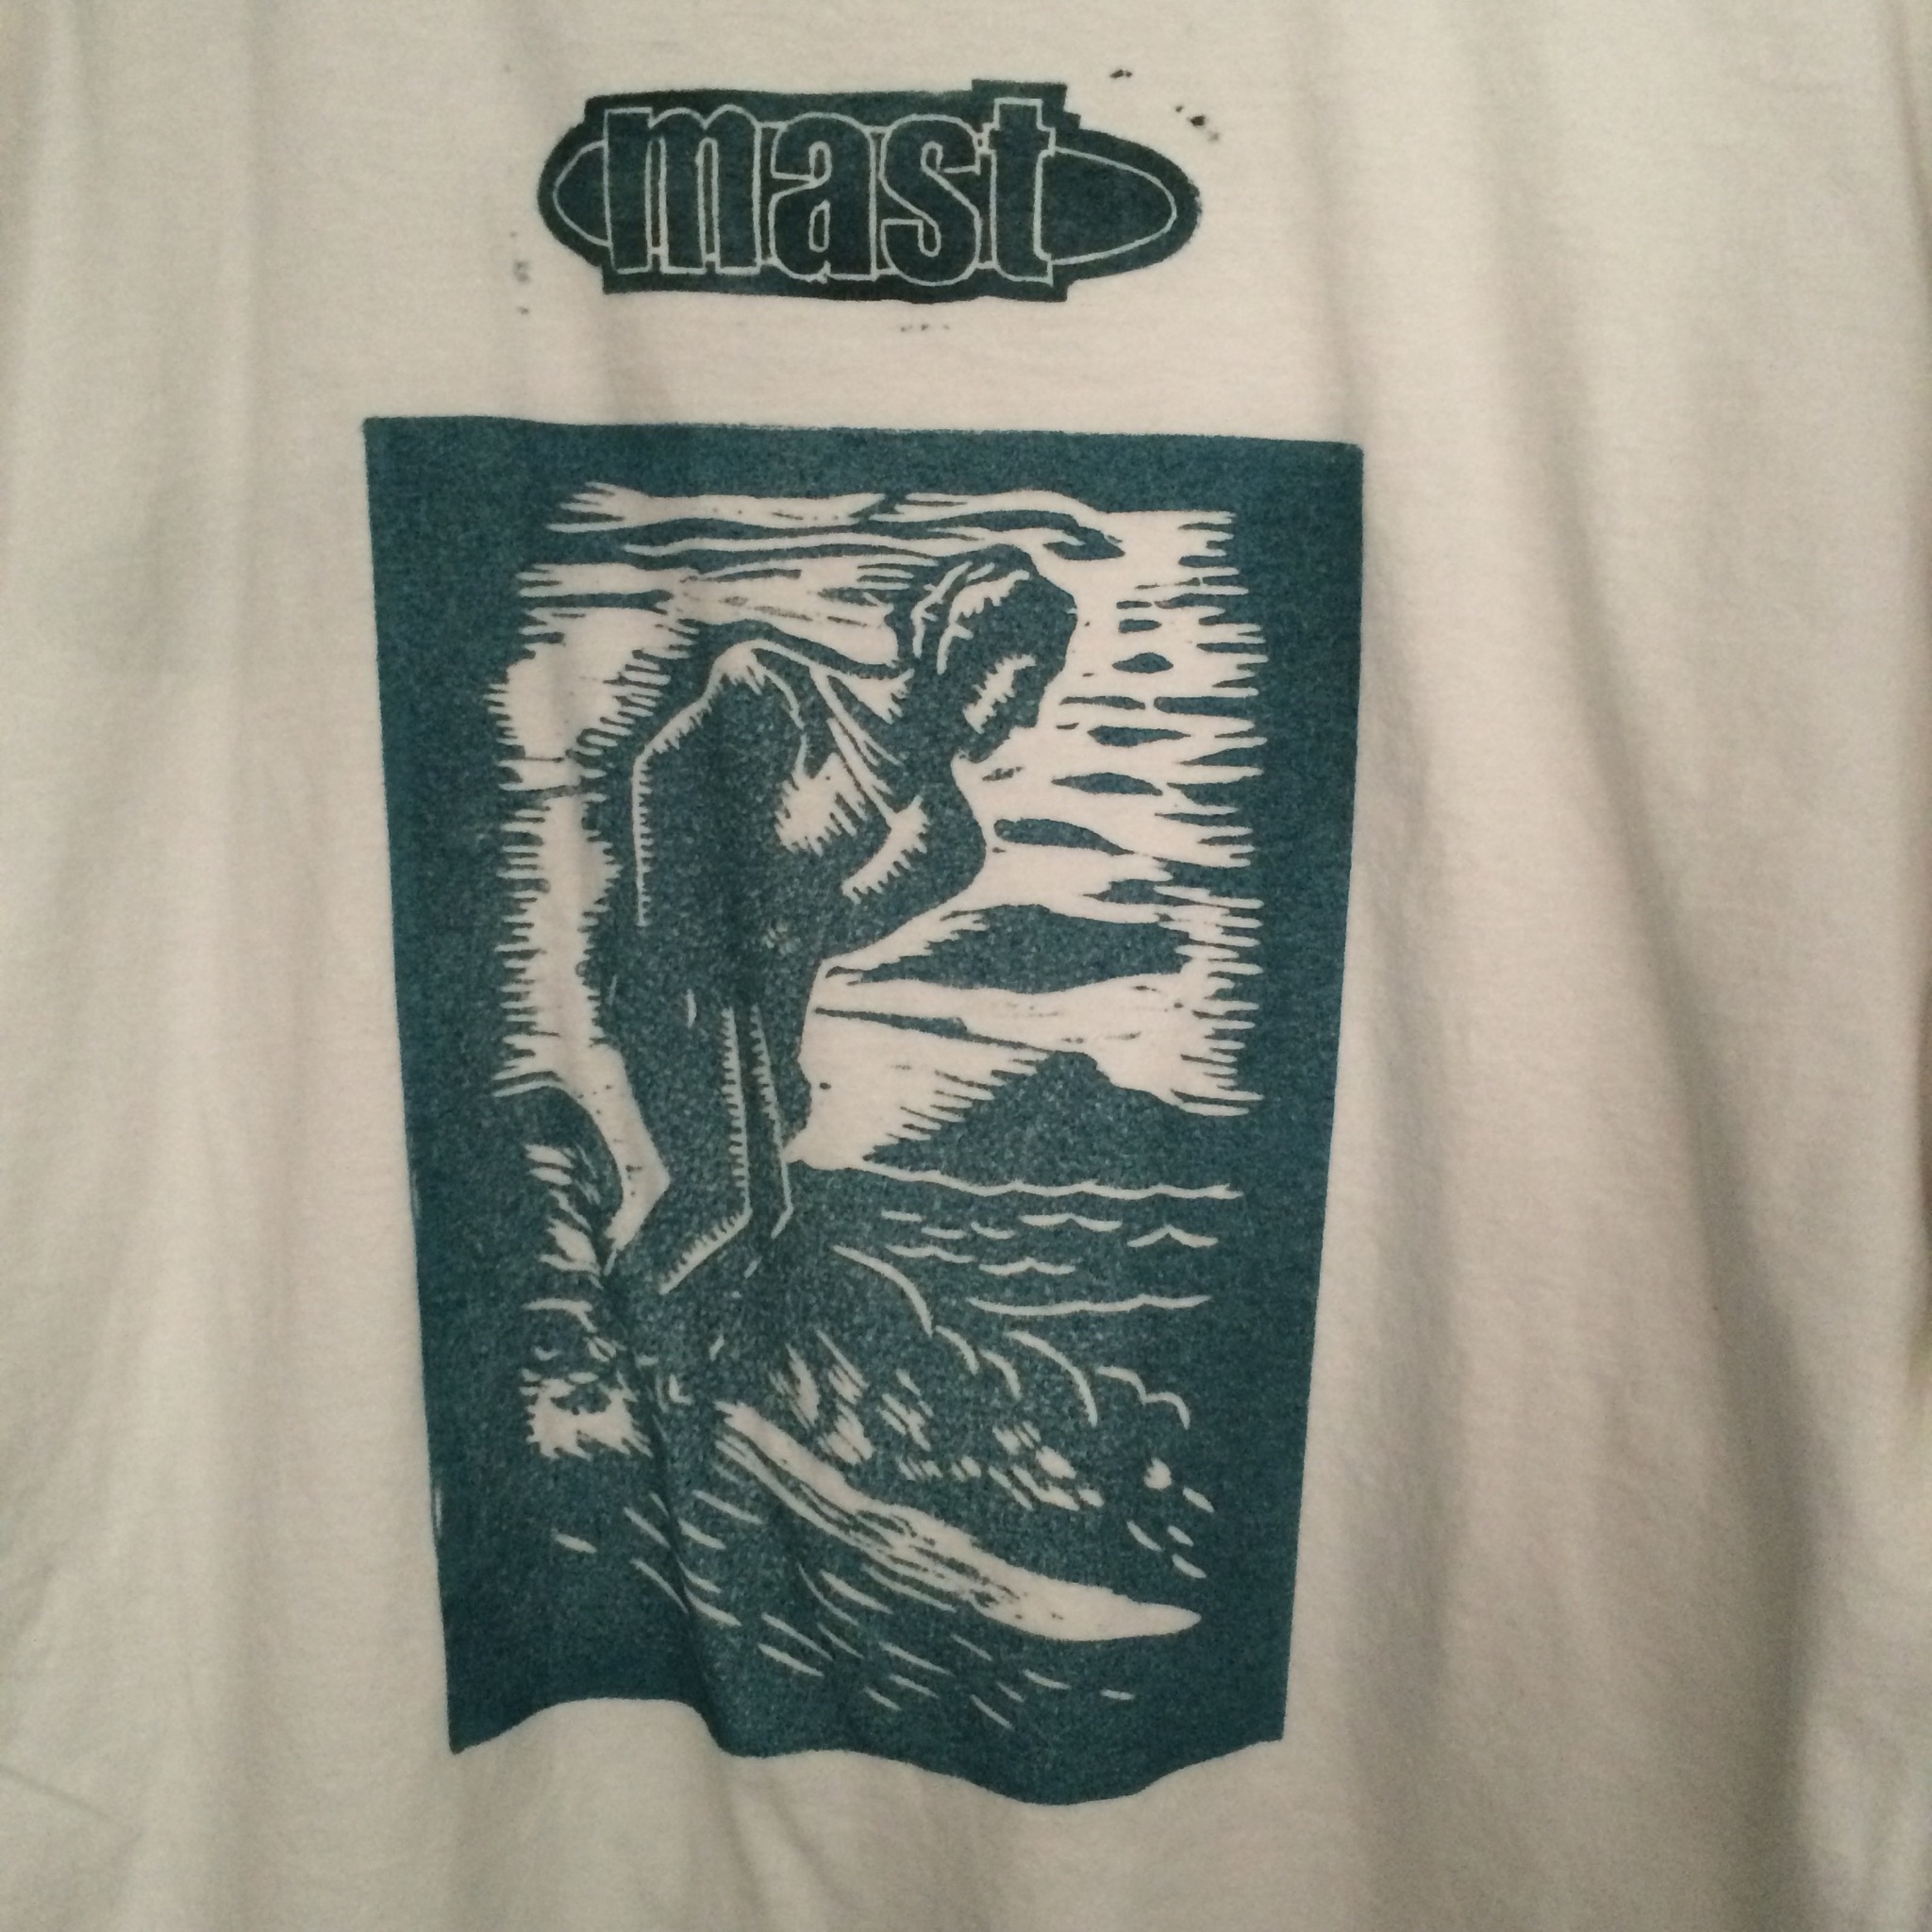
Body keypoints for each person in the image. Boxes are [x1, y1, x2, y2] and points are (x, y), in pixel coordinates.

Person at [591, 544, 1077, 1308]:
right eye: (1026, 681)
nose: (1028, 714)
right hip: (668, 975)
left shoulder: (948, 840)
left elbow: (808, 940)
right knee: (725, 1205)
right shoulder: (774, 686)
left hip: (751, 1021)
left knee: (760, 1214)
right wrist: (675, 962)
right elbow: (657, 778)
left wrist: (771, 1057)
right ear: (963, 648)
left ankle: (640, 1340)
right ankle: (594, 1330)